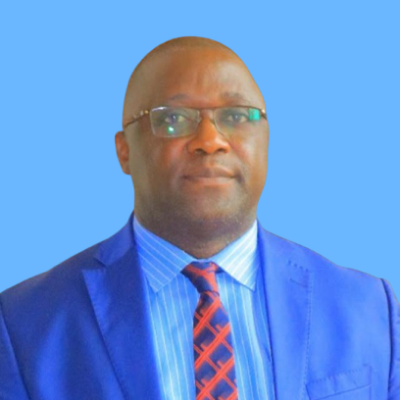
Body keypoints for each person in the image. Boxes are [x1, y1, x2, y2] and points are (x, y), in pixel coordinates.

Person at [0, 36, 399, 400]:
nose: (210, 141)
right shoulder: (23, 324)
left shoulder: (371, 308)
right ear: (124, 151)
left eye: (237, 116)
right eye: (173, 119)